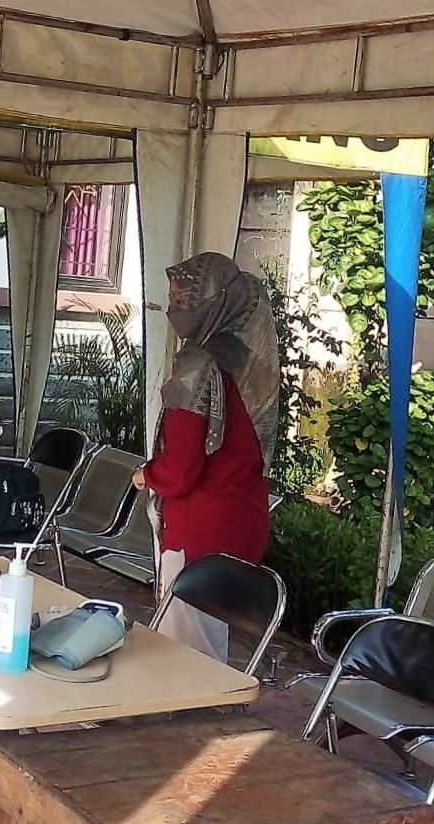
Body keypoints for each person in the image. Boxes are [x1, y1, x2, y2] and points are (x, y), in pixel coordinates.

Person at [131, 252, 280, 662]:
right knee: (211, 647)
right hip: (243, 521)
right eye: (173, 300)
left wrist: (145, 475)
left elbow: (180, 471)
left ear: (213, 302)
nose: (175, 311)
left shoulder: (196, 366)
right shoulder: (251, 361)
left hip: (199, 532)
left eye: (183, 301)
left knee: (184, 658)